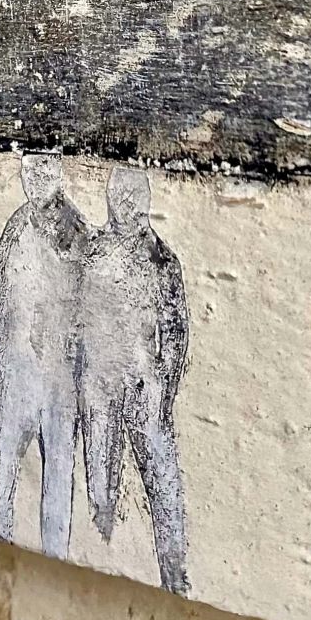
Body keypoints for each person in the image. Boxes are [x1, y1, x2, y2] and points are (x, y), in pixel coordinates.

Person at [79, 165, 189, 593]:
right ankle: (101, 562)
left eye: (135, 196)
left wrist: (164, 392)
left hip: (146, 389)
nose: (127, 204)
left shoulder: (162, 260)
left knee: (162, 484)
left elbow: (176, 332)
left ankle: (174, 574)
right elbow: (78, 323)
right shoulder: (94, 253)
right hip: (100, 391)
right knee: (100, 484)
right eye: (120, 195)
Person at [0, 152, 87, 559]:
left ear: (58, 173)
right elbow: (0, 305)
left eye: (43, 171)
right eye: (29, 172)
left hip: (58, 386)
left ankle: (55, 561)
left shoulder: (77, 232)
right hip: (16, 383)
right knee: (0, 462)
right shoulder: (15, 228)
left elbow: (87, 315)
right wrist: (5, 374)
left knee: (57, 475)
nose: (34, 180)